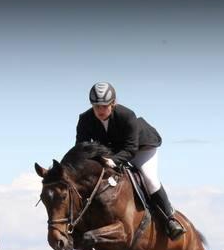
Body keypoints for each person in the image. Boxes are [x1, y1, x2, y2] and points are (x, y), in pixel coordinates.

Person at [76, 81, 185, 240]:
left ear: (113, 104)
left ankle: (170, 219)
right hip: (112, 151)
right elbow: (81, 148)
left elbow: (130, 149)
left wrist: (113, 161)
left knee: (149, 179)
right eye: (96, 106)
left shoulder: (127, 115)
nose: (100, 110)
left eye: (104, 106)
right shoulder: (85, 119)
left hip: (141, 148)